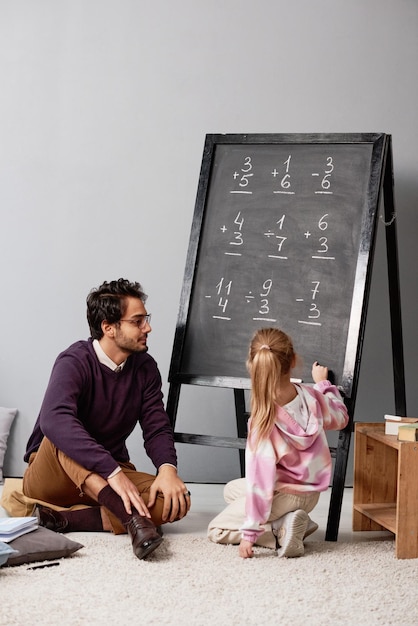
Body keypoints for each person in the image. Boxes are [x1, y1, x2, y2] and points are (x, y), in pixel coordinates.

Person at [22, 278, 191, 560]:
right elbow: (55, 420)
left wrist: (167, 469)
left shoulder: (145, 368)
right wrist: (113, 472)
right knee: (64, 434)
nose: (147, 328)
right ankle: (132, 520)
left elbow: (156, 425)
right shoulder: (74, 361)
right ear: (109, 327)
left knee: (176, 501)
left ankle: (64, 520)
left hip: (106, 474)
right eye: (137, 321)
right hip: (52, 472)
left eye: (145, 319)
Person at [207, 327, 349, 559]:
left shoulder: (263, 421)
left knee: (216, 529)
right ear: (293, 360)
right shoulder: (312, 396)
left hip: (286, 493)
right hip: (311, 493)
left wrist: (250, 532)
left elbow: (260, 484)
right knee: (231, 490)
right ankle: (290, 520)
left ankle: (278, 530)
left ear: (252, 365)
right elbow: (341, 418)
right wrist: (324, 385)